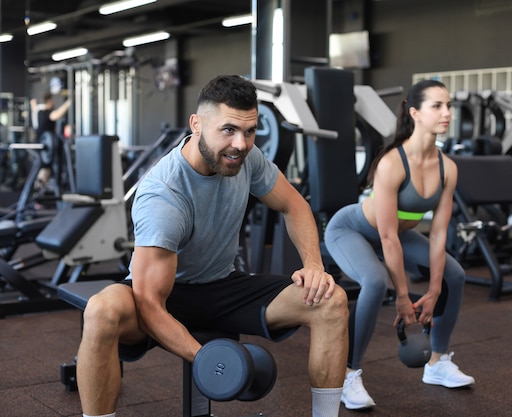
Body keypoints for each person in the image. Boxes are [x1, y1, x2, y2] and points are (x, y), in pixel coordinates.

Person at [75, 75, 349, 417]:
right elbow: (149, 303)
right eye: (229, 130)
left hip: (223, 285)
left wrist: (313, 265)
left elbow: (294, 204)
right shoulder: (163, 195)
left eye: (250, 131)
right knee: (101, 311)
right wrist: (206, 358)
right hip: (165, 295)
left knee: (330, 300)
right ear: (197, 124)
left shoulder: (246, 158)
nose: (240, 143)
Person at [324, 79, 474, 410]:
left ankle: (437, 363)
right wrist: (404, 298)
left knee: (455, 275)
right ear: (415, 112)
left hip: (399, 234)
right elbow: (387, 237)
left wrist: (433, 291)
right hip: (352, 230)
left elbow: (438, 233)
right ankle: (348, 375)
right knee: (375, 281)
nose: (447, 113)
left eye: (448, 105)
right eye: (437, 106)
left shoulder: (448, 168)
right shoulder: (393, 162)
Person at [30, 91, 71, 188]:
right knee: (45, 169)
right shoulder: (46, 113)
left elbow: (34, 107)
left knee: (45, 169)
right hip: (45, 146)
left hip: (43, 144)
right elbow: (57, 114)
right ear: (49, 101)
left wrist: (33, 103)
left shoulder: (39, 111)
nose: (53, 102)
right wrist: (69, 102)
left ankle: (38, 193)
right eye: (52, 100)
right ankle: (38, 194)